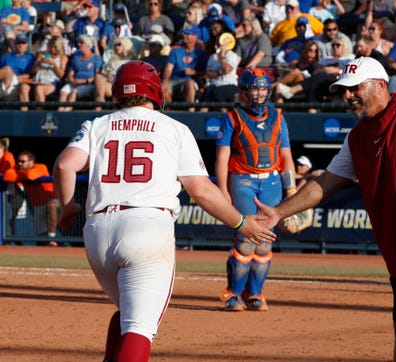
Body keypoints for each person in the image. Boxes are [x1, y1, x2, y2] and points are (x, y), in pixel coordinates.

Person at [255, 57, 396, 361]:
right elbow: (325, 183)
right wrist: (279, 212)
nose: (348, 96)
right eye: (344, 91)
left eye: (354, 88)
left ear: (380, 85)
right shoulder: (357, 138)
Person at [52, 60, 276, 361]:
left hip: (97, 230)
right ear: (156, 91)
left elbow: (65, 165)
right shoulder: (174, 128)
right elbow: (201, 190)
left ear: (118, 91)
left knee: (129, 314)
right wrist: (240, 223)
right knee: (140, 326)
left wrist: (68, 208)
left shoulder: (96, 125)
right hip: (147, 226)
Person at [216, 68, 296, 312]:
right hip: (243, 181)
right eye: (254, 88)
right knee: (246, 240)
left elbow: (286, 156)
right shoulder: (232, 118)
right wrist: (222, 189)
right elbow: (222, 156)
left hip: (271, 182)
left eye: (263, 88)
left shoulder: (279, 118)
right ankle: (233, 294)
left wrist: (291, 189)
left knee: (264, 243)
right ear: (243, 92)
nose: (259, 94)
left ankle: (256, 294)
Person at [3, 149, 60, 247]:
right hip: (38, 205)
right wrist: (20, 174)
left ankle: (52, 238)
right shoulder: (19, 169)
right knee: (41, 239)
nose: (20, 164)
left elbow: (31, 175)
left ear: (31, 162)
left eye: (23, 161)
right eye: (19, 161)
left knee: (52, 205)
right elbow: (7, 176)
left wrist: (18, 175)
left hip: (55, 201)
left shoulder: (41, 167)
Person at [161, 24, 207, 110]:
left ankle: (190, 114)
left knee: (190, 84)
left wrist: (193, 72)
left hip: (189, 81)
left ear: (195, 36)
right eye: (184, 34)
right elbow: (168, 68)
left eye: (188, 34)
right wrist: (165, 80)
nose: (185, 36)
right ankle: (169, 114)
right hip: (174, 80)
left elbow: (205, 72)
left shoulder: (200, 53)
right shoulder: (175, 50)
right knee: (164, 88)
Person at [20, 35, 69, 111]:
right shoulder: (42, 54)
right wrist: (38, 63)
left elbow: (61, 75)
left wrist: (54, 64)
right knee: (23, 85)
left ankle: (39, 112)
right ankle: (23, 112)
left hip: (51, 82)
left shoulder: (63, 57)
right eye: (51, 46)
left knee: (39, 88)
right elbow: (33, 71)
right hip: (36, 80)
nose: (52, 49)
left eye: (55, 47)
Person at [57, 34, 103, 112]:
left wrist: (84, 81)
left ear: (88, 45)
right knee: (63, 92)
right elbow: (71, 73)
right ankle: (60, 112)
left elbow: (97, 75)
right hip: (74, 82)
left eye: (81, 42)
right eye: (78, 42)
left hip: (88, 84)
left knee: (74, 93)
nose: (79, 44)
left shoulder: (96, 58)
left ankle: (66, 113)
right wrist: (72, 80)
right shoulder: (76, 58)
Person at [0, 33, 35, 103]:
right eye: (18, 42)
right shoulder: (7, 56)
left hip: (18, 83)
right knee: (7, 70)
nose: (21, 45)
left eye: (23, 42)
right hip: (4, 84)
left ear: (27, 44)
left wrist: (15, 78)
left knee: (8, 69)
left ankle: (24, 114)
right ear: (15, 44)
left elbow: (31, 76)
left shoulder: (31, 57)